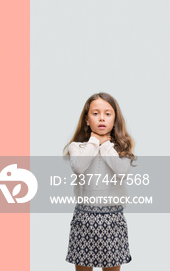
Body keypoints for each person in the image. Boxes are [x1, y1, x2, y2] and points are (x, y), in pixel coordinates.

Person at [65, 92, 133, 271]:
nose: (101, 118)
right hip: (84, 219)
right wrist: (95, 142)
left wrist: (106, 146)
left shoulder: (121, 150)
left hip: (112, 219)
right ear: (87, 120)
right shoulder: (77, 147)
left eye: (107, 113)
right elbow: (79, 167)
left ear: (115, 119)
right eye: (95, 113)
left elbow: (122, 172)